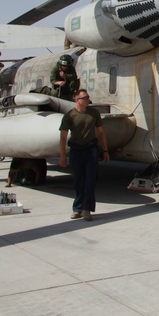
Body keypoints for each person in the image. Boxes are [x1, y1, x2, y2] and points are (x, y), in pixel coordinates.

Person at [58, 88, 109, 221]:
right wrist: (63, 156)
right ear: (77, 100)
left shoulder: (94, 113)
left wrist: (105, 150)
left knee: (90, 180)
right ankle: (77, 208)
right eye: (85, 98)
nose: (88, 100)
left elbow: (101, 132)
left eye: (88, 97)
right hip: (76, 150)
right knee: (78, 180)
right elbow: (63, 137)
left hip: (91, 149)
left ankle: (87, 209)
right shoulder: (69, 115)